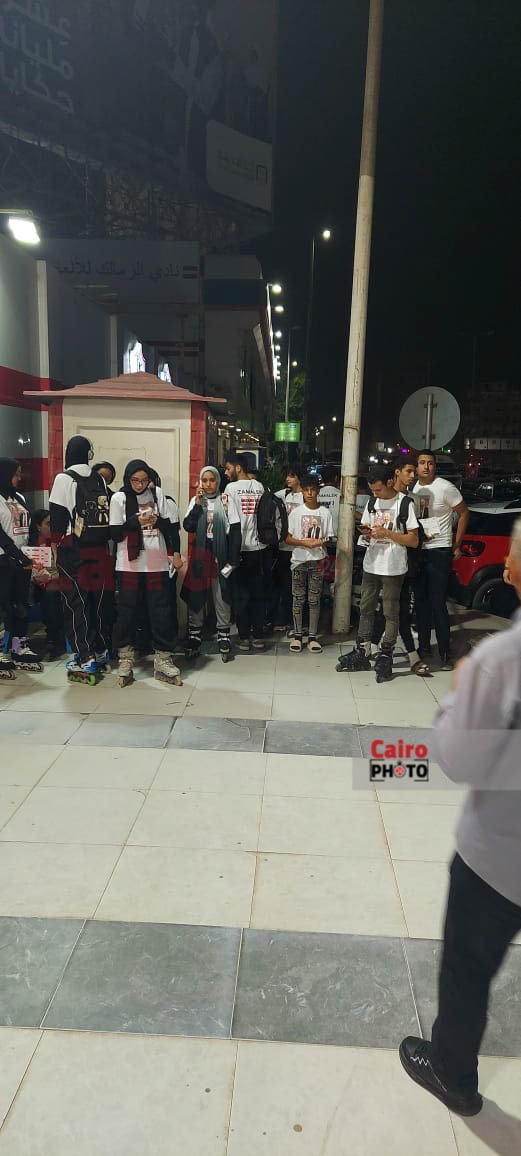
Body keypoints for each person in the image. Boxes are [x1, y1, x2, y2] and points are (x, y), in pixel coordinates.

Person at [400, 516, 521, 1118]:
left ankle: (452, 1073)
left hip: (500, 857)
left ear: (515, 570)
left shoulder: (501, 660)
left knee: (468, 968)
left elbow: (458, 759)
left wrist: (458, 695)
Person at [340, 464, 419, 682]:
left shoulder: (405, 504)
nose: (375, 494)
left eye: (378, 489)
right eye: (372, 490)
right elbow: (367, 528)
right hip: (371, 564)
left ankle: (386, 653)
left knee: (390, 611)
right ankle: (363, 649)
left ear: (390, 482)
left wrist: (387, 533)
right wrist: (366, 534)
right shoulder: (372, 503)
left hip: (393, 566)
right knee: (365, 608)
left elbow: (413, 540)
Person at [109, 459, 183, 686]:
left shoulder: (157, 494)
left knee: (161, 611)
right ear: (128, 479)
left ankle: (163, 659)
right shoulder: (119, 498)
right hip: (128, 564)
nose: (140, 485)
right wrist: (135, 521)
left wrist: (158, 523)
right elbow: (115, 533)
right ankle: (125, 658)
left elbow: (171, 527)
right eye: (135, 480)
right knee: (127, 612)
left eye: (144, 480)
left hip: (156, 562)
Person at [49, 435, 112, 680]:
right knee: (97, 601)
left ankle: (85, 658)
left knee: (76, 602)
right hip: (99, 549)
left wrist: (55, 551)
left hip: (73, 550)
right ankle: (101, 649)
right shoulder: (99, 478)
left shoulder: (63, 478)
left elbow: (57, 520)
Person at [372, 457, 430, 676]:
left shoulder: (411, 500)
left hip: (406, 563)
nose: (413, 476)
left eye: (414, 471)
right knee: (389, 610)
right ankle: (390, 651)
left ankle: (382, 649)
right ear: (396, 473)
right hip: (383, 562)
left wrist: (420, 535)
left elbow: (414, 535)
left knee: (399, 610)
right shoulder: (381, 499)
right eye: (408, 471)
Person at [413, 452, 469, 670]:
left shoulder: (445, 487)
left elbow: (464, 513)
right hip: (419, 550)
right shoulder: (412, 488)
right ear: (416, 466)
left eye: (430, 463)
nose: (426, 467)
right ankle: (424, 647)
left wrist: (456, 544)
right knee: (421, 602)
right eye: (422, 463)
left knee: (438, 602)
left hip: (440, 549)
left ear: (435, 466)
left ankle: (445, 651)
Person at [181, 466, 234, 660]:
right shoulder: (196, 501)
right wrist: (197, 505)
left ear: (218, 481)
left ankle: (223, 634)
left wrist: (233, 557)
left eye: (212, 480)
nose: (208, 484)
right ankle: (194, 635)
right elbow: (188, 526)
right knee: (196, 593)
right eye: (205, 480)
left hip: (220, 552)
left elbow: (233, 529)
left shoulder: (226, 500)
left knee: (221, 594)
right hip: (201, 553)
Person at [0, 457, 42, 675]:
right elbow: (2, 537)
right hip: (4, 560)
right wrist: (18, 556)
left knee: (20, 604)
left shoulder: (19, 497)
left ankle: (19, 646)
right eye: (15, 474)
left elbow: (31, 527)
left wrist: (33, 553)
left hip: (22, 560)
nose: (19, 478)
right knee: (3, 605)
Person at [286, 473, 334, 653]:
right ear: (302, 492)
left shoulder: (325, 513)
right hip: (299, 561)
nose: (309, 493)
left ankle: (312, 636)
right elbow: (288, 538)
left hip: (318, 560)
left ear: (318, 491)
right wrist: (304, 543)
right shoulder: (296, 513)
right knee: (298, 598)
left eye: (312, 490)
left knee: (314, 599)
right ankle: (298, 635)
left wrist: (321, 542)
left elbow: (329, 537)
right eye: (306, 490)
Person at [224, 452, 267, 651]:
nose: (226, 472)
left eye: (228, 468)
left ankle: (243, 637)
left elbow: (228, 520)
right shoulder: (259, 486)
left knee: (240, 595)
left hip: (238, 548)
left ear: (238, 467)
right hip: (259, 548)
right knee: (258, 593)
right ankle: (258, 635)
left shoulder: (230, 489)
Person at [28, 509, 65, 661]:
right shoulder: (32, 543)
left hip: (57, 581)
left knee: (51, 592)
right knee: (46, 592)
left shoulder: (58, 541)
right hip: (36, 584)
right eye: (48, 524)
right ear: (38, 526)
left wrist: (54, 576)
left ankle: (54, 638)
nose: (52, 527)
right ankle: (53, 637)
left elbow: (64, 568)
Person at [273, 467, 304, 633]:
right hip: (283, 547)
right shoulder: (283, 494)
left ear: (299, 477)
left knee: (297, 586)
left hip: (298, 547)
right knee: (284, 585)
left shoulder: (305, 496)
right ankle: (284, 618)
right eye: (287, 476)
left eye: (291, 476)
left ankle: (297, 621)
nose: (288, 479)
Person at [318, 465, 341, 537]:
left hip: (318, 537)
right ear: (336, 478)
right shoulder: (342, 495)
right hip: (337, 538)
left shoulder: (315, 494)